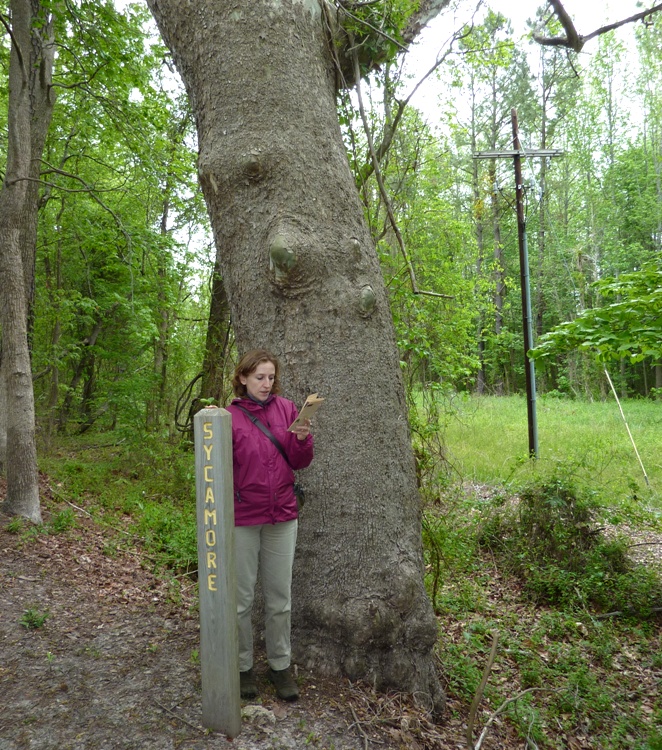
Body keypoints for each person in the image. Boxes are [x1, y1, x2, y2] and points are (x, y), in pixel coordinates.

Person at [226, 349, 314, 701]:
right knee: (241, 600)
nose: (266, 384)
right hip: (244, 517)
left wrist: (303, 438)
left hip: (283, 517)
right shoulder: (228, 417)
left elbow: (299, 461)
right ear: (243, 378)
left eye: (271, 377)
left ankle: (280, 667)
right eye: (259, 377)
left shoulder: (288, 409)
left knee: (280, 599)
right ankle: (242, 666)